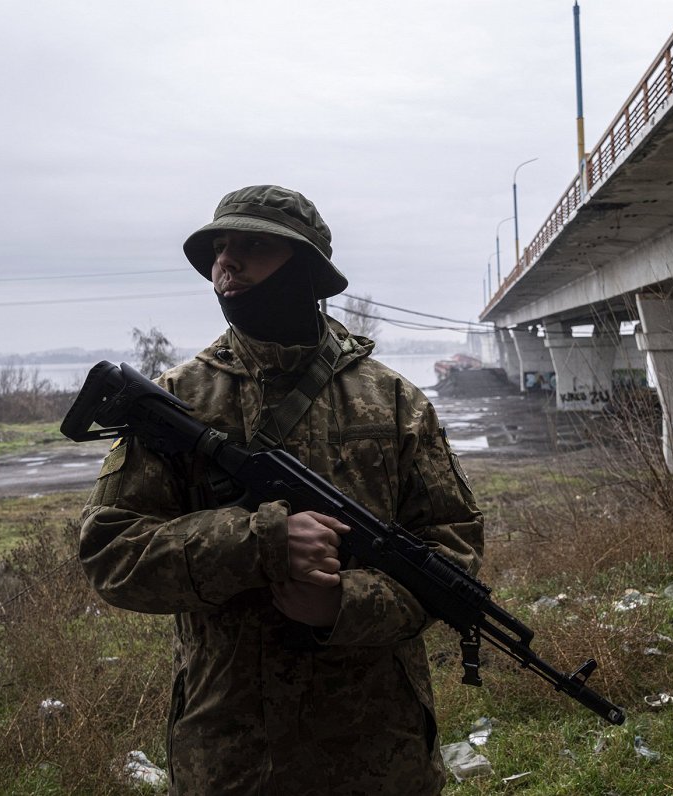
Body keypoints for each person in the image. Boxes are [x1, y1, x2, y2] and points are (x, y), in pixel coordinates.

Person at [78, 185, 484, 795]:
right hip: (233, 753)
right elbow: (113, 554)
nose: (226, 263)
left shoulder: (395, 401)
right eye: (220, 248)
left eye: (253, 246)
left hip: (380, 749)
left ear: (306, 269)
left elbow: (451, 554)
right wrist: (258, 541)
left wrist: (344, 604)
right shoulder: (176, 401)